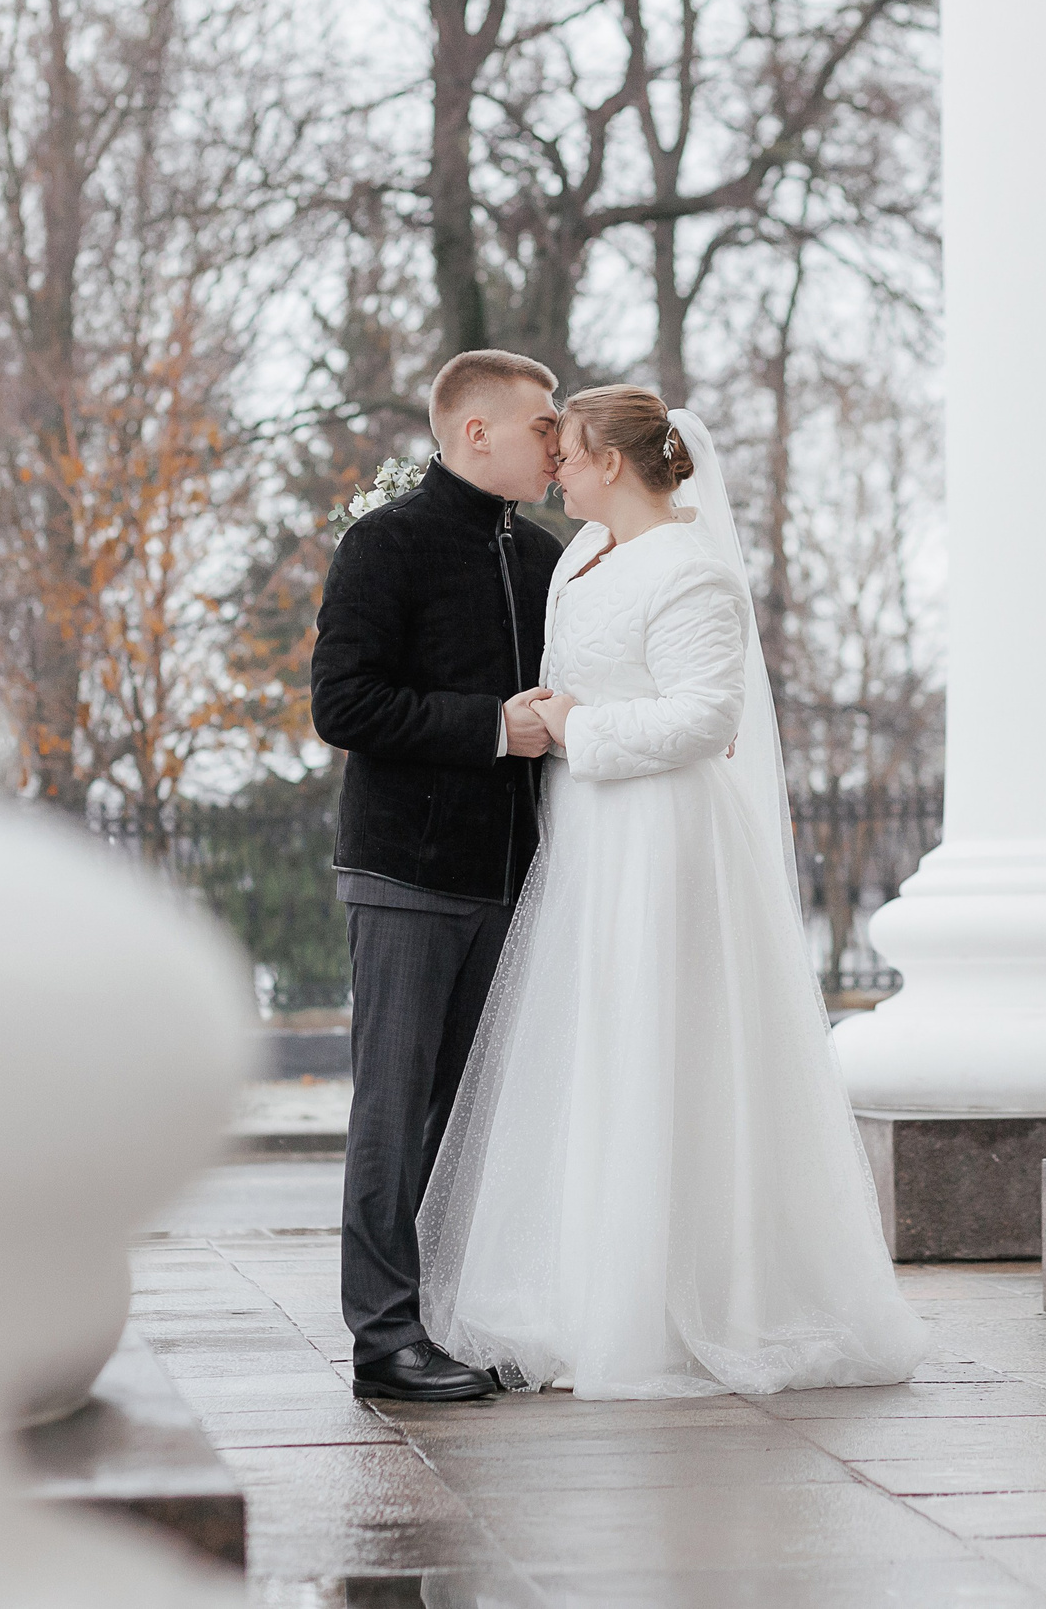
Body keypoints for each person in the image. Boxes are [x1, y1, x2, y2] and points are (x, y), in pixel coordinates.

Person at [417, 386, 929, 1399]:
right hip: (588, 837)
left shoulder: (692, 573)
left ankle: (686, 1301)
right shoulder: (581, 556)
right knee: (596, 1050)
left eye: (569, 453)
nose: (555, 469)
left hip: (658, 838)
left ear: (612, 463)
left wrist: (575, 727)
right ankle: (588, 1290)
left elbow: (704, 718)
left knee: (664, 1048)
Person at [309, 349, 566, 1402]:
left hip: (513, 879)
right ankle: (385, 1339)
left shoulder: (545, 556)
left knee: (472, 1125)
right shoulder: (386, 543)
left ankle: (451, 1321)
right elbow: (343, 703)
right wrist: (493, 727)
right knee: (394, 1113)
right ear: (475, 431)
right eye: (543, 424)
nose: (558, 443)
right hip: (407, 874)